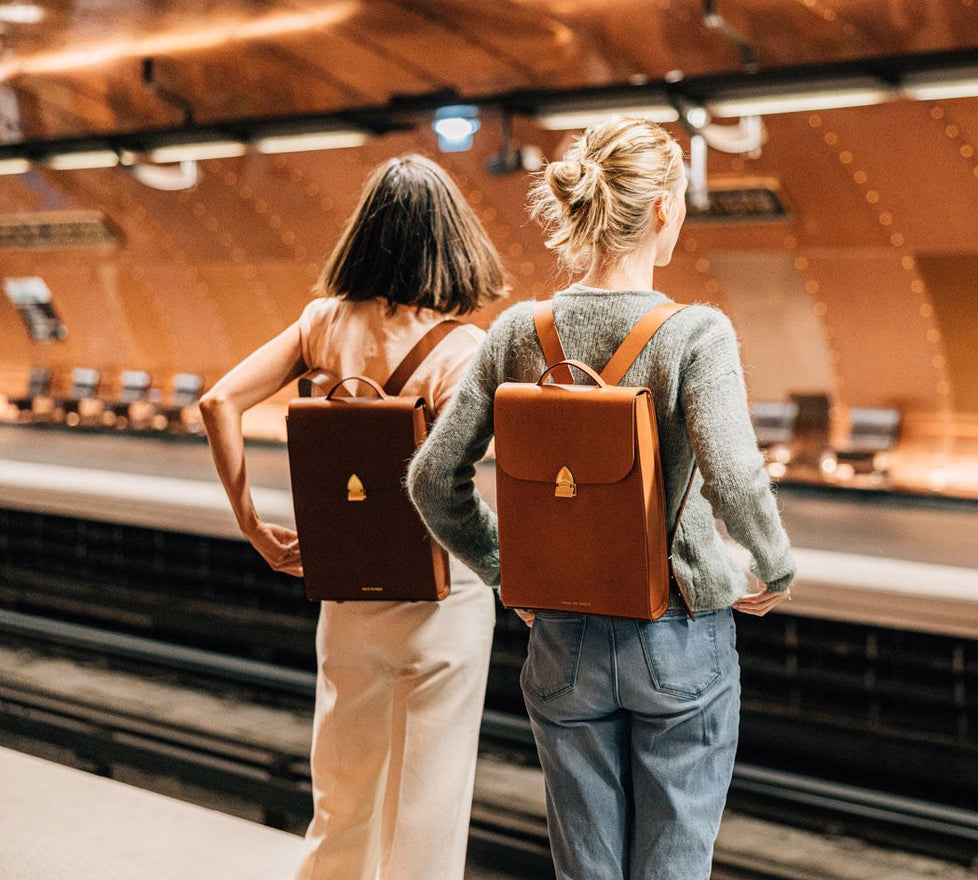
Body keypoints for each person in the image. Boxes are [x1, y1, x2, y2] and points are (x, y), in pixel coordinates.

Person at [408, 117, 795, 880]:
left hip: (564, 640)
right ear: (662, 211)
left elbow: (431, 478)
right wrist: (771, 567)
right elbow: (736, 478)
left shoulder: (519, 330)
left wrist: (504, 569)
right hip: (680, 633)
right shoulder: (695, 334)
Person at [199, 154, 506, 880]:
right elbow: (451, 486)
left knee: (343, 796)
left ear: (364, 235)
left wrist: (251, 521)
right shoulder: (466, 352)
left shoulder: (321, 325)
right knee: (426, 810)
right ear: (451, 241)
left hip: (345, 585)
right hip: (441, 596)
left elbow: (220, 403)